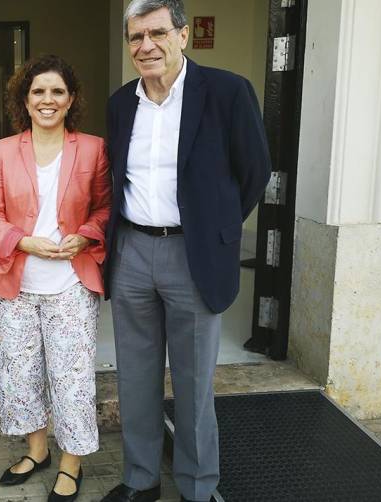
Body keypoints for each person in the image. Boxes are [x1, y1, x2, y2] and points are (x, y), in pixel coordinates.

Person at [100, 1, 270, 502]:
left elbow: (254, 172)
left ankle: (198, 487)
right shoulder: (120, 102)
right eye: (135, 37)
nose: (145, 46)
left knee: (194, 383)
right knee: (135, 375)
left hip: (191, 256)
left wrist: (212, 230)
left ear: (183, 35)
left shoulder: (226, 91)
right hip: (131, 251)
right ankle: (141, 479)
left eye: (156, 33)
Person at [0, 55, 111, 502]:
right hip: (17, 284)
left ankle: (71, 462)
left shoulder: (93, 148)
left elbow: (106, 209)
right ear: (25, 99)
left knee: (71, 379)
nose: (47, 100)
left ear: (71, 99)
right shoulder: (3, 150)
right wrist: (22, 241)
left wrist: (85, 235)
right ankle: (37, 451)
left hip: (71, 284)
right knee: (20, 375)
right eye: (38, 92)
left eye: (57, 91)